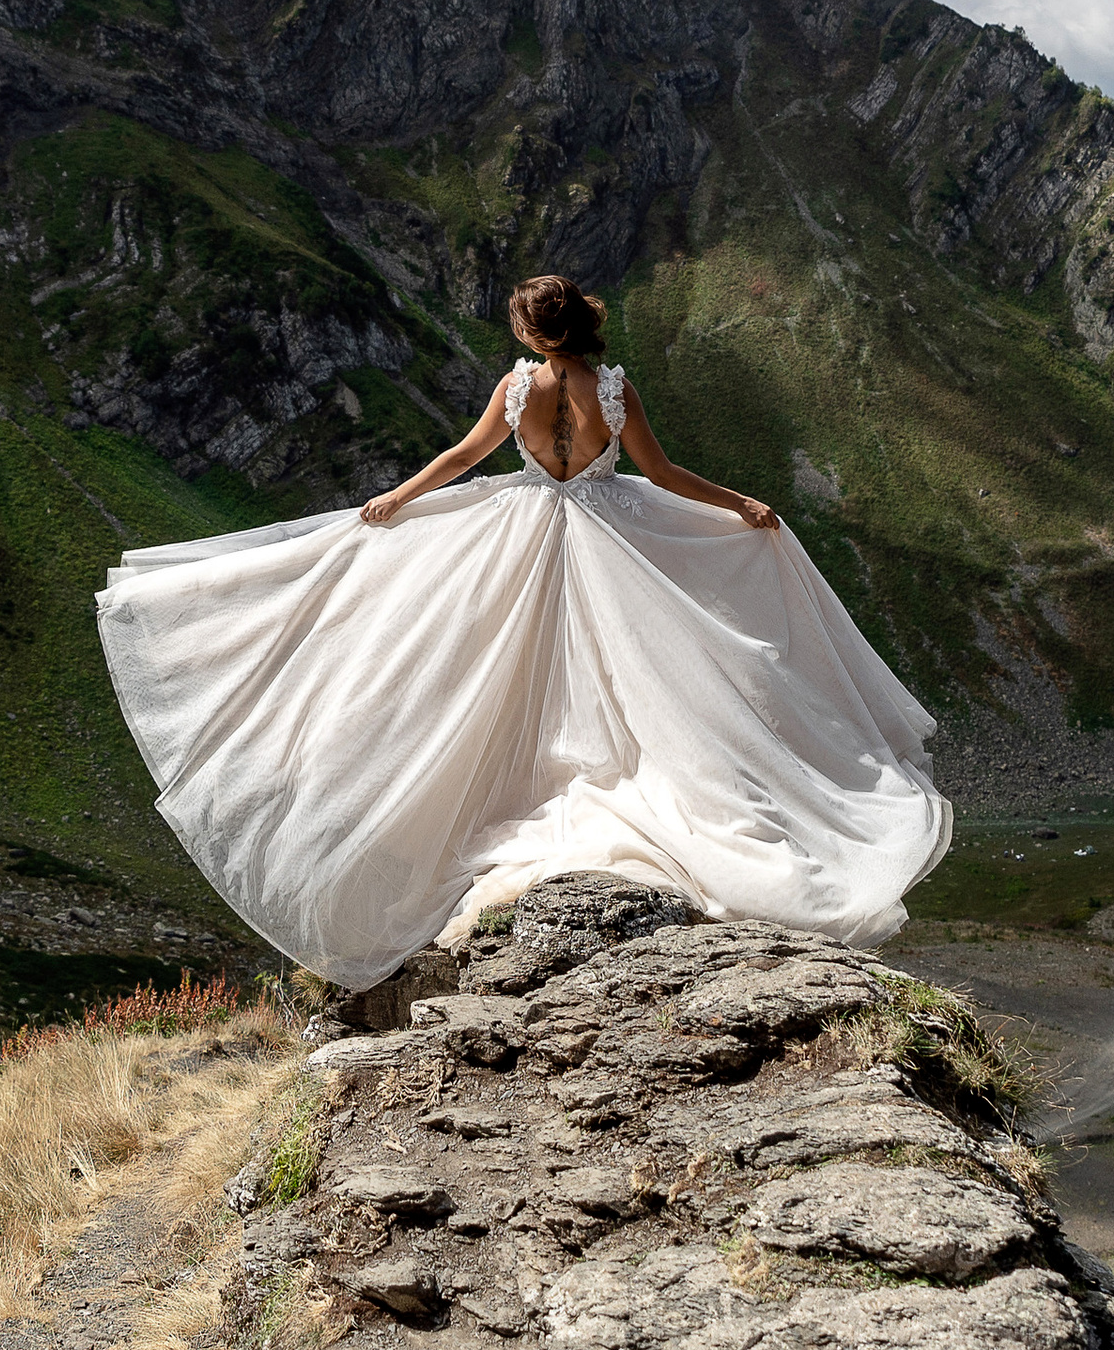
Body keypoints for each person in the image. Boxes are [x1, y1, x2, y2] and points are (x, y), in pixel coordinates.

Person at [95, 272, 949, 985]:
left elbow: (465, 457)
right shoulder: (613, 390)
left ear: (531, 333)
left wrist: (398, 498)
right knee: (642, 677)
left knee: (494, 674)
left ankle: (518, 797)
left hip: (528, 529)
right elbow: (660, 473)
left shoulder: (515, 389)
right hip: (615, 533)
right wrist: (742, 504)